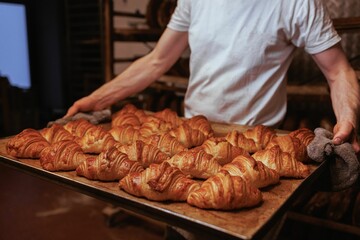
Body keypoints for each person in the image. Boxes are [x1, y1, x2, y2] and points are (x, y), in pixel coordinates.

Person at [65, 0, 360, 154]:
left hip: (255, 147)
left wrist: (348, 119)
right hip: (189, 138)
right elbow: (157, 61)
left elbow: (338, 70)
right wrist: (97, 99)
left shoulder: (296, 2)